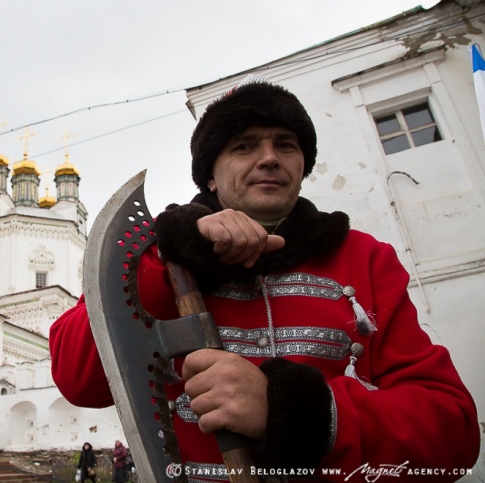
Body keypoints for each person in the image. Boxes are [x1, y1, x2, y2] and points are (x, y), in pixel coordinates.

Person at [50, 78, 480, 479]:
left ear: (302, 164)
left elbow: (453, 432)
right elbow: (78, 377)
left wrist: (293, 410)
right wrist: (176, 256)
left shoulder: (363, 256)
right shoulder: (156, 253)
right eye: (244, 145)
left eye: (286, 145)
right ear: (211, 177)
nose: (270, 157)